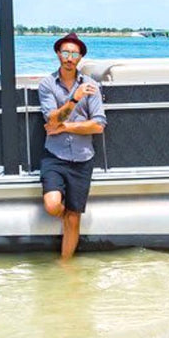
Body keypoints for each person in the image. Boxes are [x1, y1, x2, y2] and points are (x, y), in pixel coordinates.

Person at [38, 31, 106, 260]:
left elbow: (98, 126)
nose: (69, 57)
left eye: (74, 54)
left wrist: (65, 128)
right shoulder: (47, 84)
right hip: (54, 156)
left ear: (80, 58)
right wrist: (75, 98)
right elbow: (52, 120)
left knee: (75, 220)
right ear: (58, 54)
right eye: (65, 52)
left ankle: (66, 267)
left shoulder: (92, 85)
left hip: (82, 159)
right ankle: (67, 215)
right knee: (52, 205)